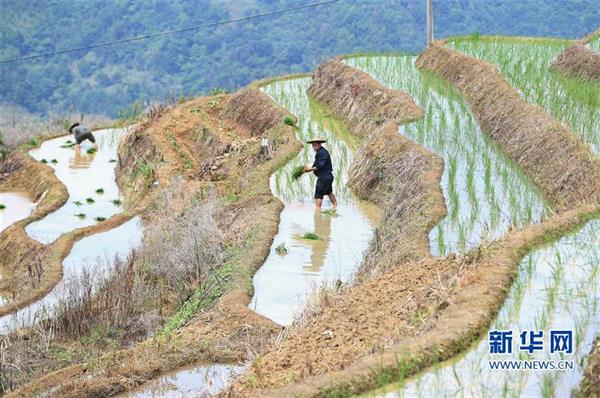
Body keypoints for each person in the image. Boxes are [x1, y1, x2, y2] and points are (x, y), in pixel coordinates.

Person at [303, 138, 337, 210]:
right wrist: (307, 169)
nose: (314, 147)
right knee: (329, 192)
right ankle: (335, 207)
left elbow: (319, 165)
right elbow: (316, 165)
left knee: (318, 195)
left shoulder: (322, 153)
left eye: (315, 145)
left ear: (319, 144)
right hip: (328, 176)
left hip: (324, 177)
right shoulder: (320, 152)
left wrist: (309, 169)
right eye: (313, 145)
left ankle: (317, 211)